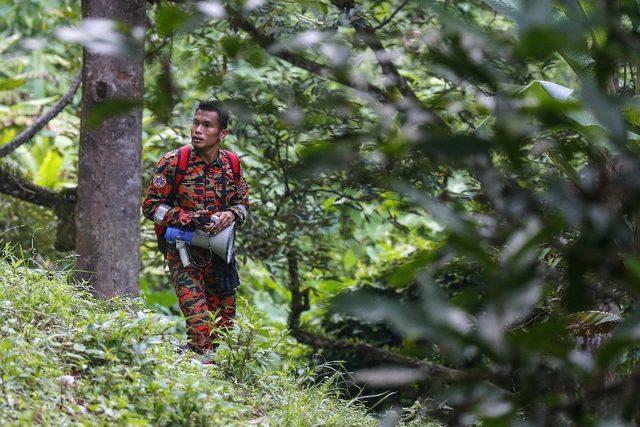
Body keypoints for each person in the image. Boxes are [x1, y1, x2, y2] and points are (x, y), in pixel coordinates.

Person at [143, 100, 249, 359]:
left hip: (219, 254)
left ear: (222, 134)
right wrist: (187, 218)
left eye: (206, 125)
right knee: (199, 320)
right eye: (195, 122)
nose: (197, 130)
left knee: (224, 320)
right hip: (183, 251)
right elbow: (151, 208)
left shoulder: (231, 164)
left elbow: (243, 204)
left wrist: (230, 214)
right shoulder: (174, 161)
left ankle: (196, 361)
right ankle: (201, 370)